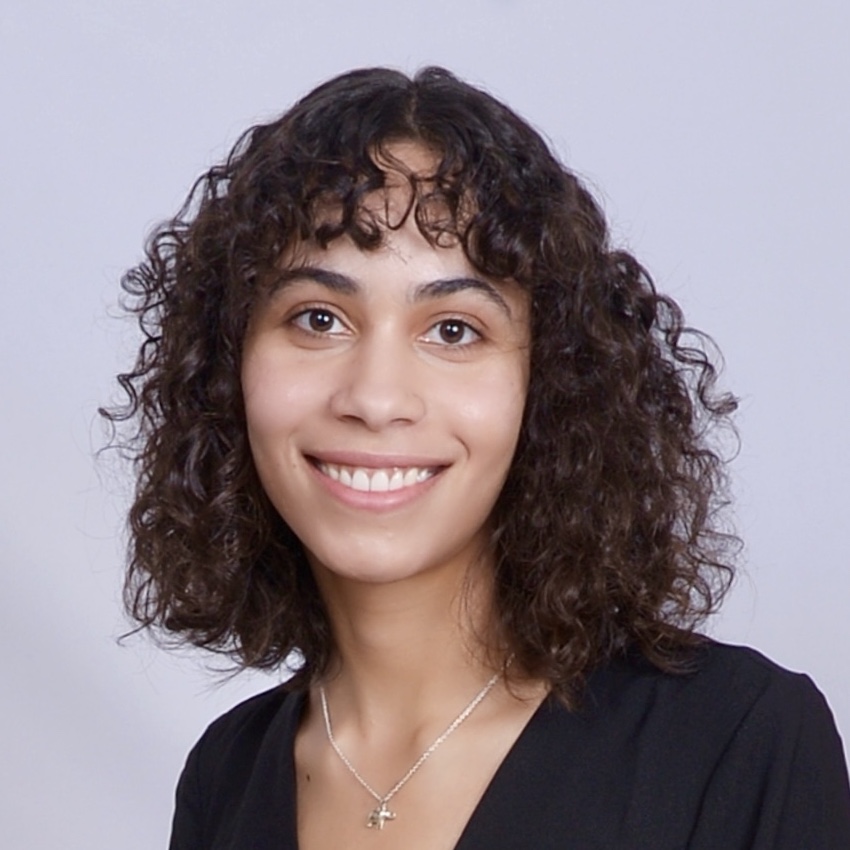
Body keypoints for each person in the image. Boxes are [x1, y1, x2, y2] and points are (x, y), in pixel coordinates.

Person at [104, 66, 850, 849]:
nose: (376, 397)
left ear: (552, 384)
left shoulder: (734, 743)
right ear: (228, 368)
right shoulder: (226, 776)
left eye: (453, 330)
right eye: (318, 318)